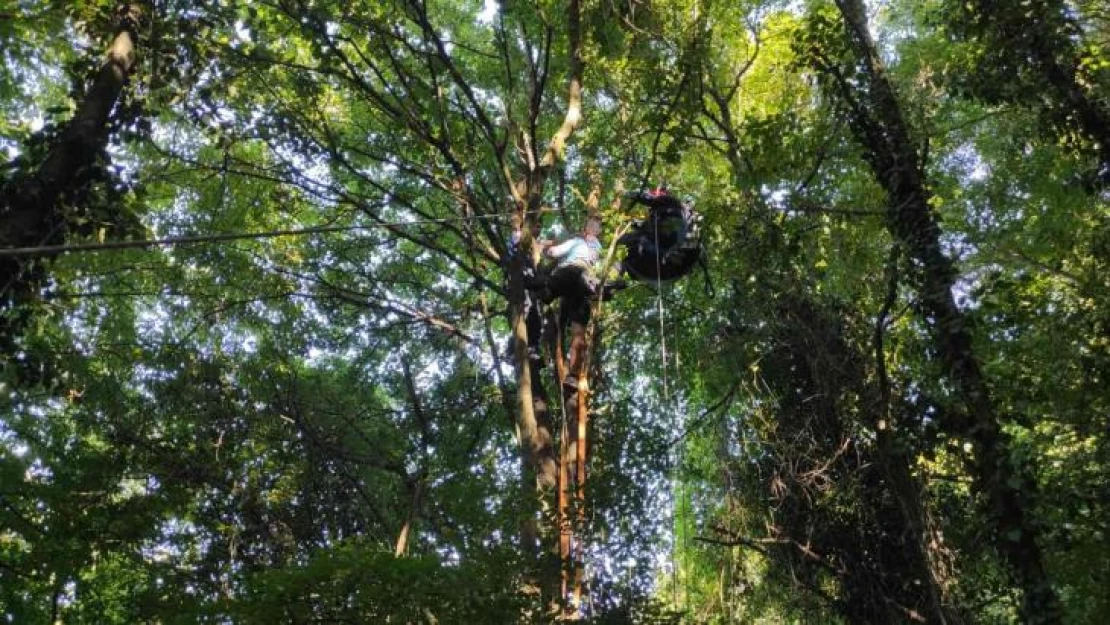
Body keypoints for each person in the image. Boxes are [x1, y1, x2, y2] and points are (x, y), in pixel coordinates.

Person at [541, 216, 602, 388]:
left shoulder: (577, 242)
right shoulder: (598, 251)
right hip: (585, 285)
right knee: (579, 333)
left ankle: (546, 292)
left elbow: (553, 253)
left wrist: (545, 248)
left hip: (572, 273)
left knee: (551, 287)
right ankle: (573, 376)